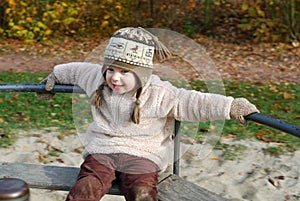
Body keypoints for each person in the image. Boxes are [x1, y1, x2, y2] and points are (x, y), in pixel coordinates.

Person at [36, 27, 259, 201]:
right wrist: (53, 78)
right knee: (86, 187)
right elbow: (74, 70)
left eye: (125, 72)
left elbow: (193, 101)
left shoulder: (159, 93)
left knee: (142, 191)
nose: (115, 77)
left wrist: (230, 106)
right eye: (111, 69)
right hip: (102, 151)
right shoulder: (96, 78)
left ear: (142, 74)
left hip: (143, 154)